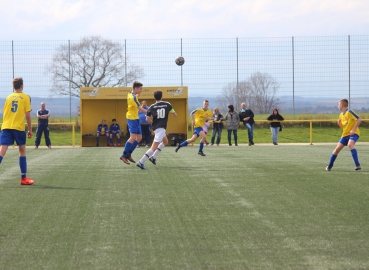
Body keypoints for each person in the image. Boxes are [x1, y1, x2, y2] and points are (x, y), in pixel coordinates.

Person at [0, 77, 34, 185]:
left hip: (6, 126)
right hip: (18, 128)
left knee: (2, 151)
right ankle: (23, 178)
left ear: (13, 86)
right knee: (22, 150)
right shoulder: (26, 97)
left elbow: (5, 112)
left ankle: (24, 178)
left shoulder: (9, 97)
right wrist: (30, 129)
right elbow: (27, 115)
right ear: (22, 86)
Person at [136, 90, 177, 169]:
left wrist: (153, 123)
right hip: (161, 128)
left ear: (154, 98)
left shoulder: (152, 106)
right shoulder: (167, 104)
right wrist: (173, 113)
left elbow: (147, 119)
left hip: (155, 128)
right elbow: (175, 114)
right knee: (153, 148)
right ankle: (141, 162)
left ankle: (153, 157)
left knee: (165, 141)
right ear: (161, 97)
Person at [326, 98, 362, 171]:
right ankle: (329, 165)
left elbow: (359, 119)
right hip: (345, 135)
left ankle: (357, 165)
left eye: (338, 105)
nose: (338, 106)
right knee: (337, 149)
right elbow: (343, 126)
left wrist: (353, 129)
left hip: (353, 134)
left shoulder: (349, 112)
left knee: (350, 144)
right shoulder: (341, 115)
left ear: (342, 105)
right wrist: (339, 124)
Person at [120, 81, 147, 165]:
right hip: (132, 119)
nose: (141, 90)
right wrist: (150, 113)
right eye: (140, 89)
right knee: (132, 137)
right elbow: (140, 108)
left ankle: (128, 154)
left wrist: (137, 94)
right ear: (135, 88)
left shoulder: (131, 94)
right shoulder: (133, 98)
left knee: (139, 137)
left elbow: (134, 95)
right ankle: (124, 155)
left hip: (136, 118)